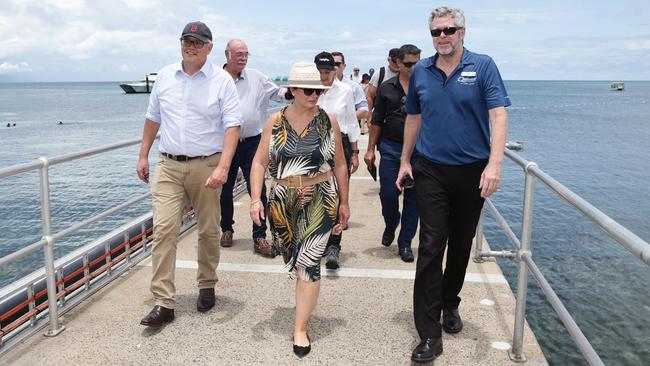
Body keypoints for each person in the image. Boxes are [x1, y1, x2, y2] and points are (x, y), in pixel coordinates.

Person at [396, 7, 510, 363]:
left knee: (460, 246)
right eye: (436, 31)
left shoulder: (483, 65)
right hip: (430, 170)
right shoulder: (422, 73)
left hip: (472, 171)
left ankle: (450, 303)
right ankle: (429, 334)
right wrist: (404, 161)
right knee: (430, 246)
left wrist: (495, 163)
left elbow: (498, 113)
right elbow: (414, 117)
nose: (442, 36)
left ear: (463, 32)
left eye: (449, 30)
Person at [136, 21, 242, 326]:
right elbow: (152, 118)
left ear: (209, 48)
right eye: (186, 40)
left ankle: (206, 284)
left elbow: (232, 126)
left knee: (209, 230)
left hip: (207, 164)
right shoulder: (165, 76)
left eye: (197, 42)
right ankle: (164, 302)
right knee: (164, 230)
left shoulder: (222, 80)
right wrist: (143, 155)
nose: (190, 46)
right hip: (168, 165)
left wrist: (224, 167)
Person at [249, 62, 350, 357]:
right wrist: (256, 198)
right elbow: (258, 162)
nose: (314, 94)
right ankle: (302, 299)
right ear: (292, 90)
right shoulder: (275, 122)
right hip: (282, 199)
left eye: (318, 89)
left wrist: (344, 202)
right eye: (308, 89)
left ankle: (300, 328)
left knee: (308, 263)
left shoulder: (328, 120)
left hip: (319, 196)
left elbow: (340, 163)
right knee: (292, 258)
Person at [219, 39, 286, 257]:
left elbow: (278, 94)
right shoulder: (216, 79)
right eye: (239, 53)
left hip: (252, 143)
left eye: (246, 53)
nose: (243, 57)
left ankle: (259, 236)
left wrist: (296, 92)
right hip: (223, 144)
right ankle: (227, 229)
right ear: (227, 54)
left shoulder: (257, 77)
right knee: (224, 191)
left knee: (258, 191)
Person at [364, 44, 421, 263]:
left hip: (419, 151)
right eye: (408, 64)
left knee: (414, 200)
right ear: (398, 63)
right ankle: (391, 223)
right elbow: (377, 120)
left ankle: (405, 243)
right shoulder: (387, 88)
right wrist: (370, 149)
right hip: (390, 148)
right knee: (388, 194)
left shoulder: (425, 87)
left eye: (417, 64)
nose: (413, 68)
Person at [314, 51, 360, 269]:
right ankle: (317, 241)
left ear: (334, 71)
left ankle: (334, 245)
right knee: (314, 195)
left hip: (338, 145)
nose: (323, 76)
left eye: (327, 72)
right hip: (312, 145)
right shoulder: (308, 90)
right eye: (320, 72)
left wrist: (355, 151)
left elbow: (351, 122)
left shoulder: (345, 91)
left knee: (338, 195)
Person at [331, 51, 369, 133]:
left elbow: (365, 110)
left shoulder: (353, 87)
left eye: (337, 64)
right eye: (331, 64)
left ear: (344, 66)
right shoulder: (320, 87)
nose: (334, 67)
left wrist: (343, 117)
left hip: (345, 133)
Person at [366, 48, 400, 113]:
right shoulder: (379, 74)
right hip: (381, 115)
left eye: (400, 62)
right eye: (395, 61)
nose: (397, 64)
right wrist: (369, 114)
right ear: (388, 59)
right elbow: (370, 96)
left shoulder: (406, 74)